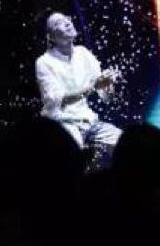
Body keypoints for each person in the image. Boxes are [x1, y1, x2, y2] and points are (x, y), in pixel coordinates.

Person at [35, 12, 121, 167]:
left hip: (89, 121)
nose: (68, 23)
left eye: (67, 19)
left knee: (124, 145)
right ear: (51, 37)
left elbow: (107, 98)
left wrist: (109, 83)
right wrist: (94, 86)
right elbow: (59, 100)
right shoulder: (44, 62)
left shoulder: (83, 53)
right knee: (76, 161)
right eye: (59, 23)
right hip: (62, 125)